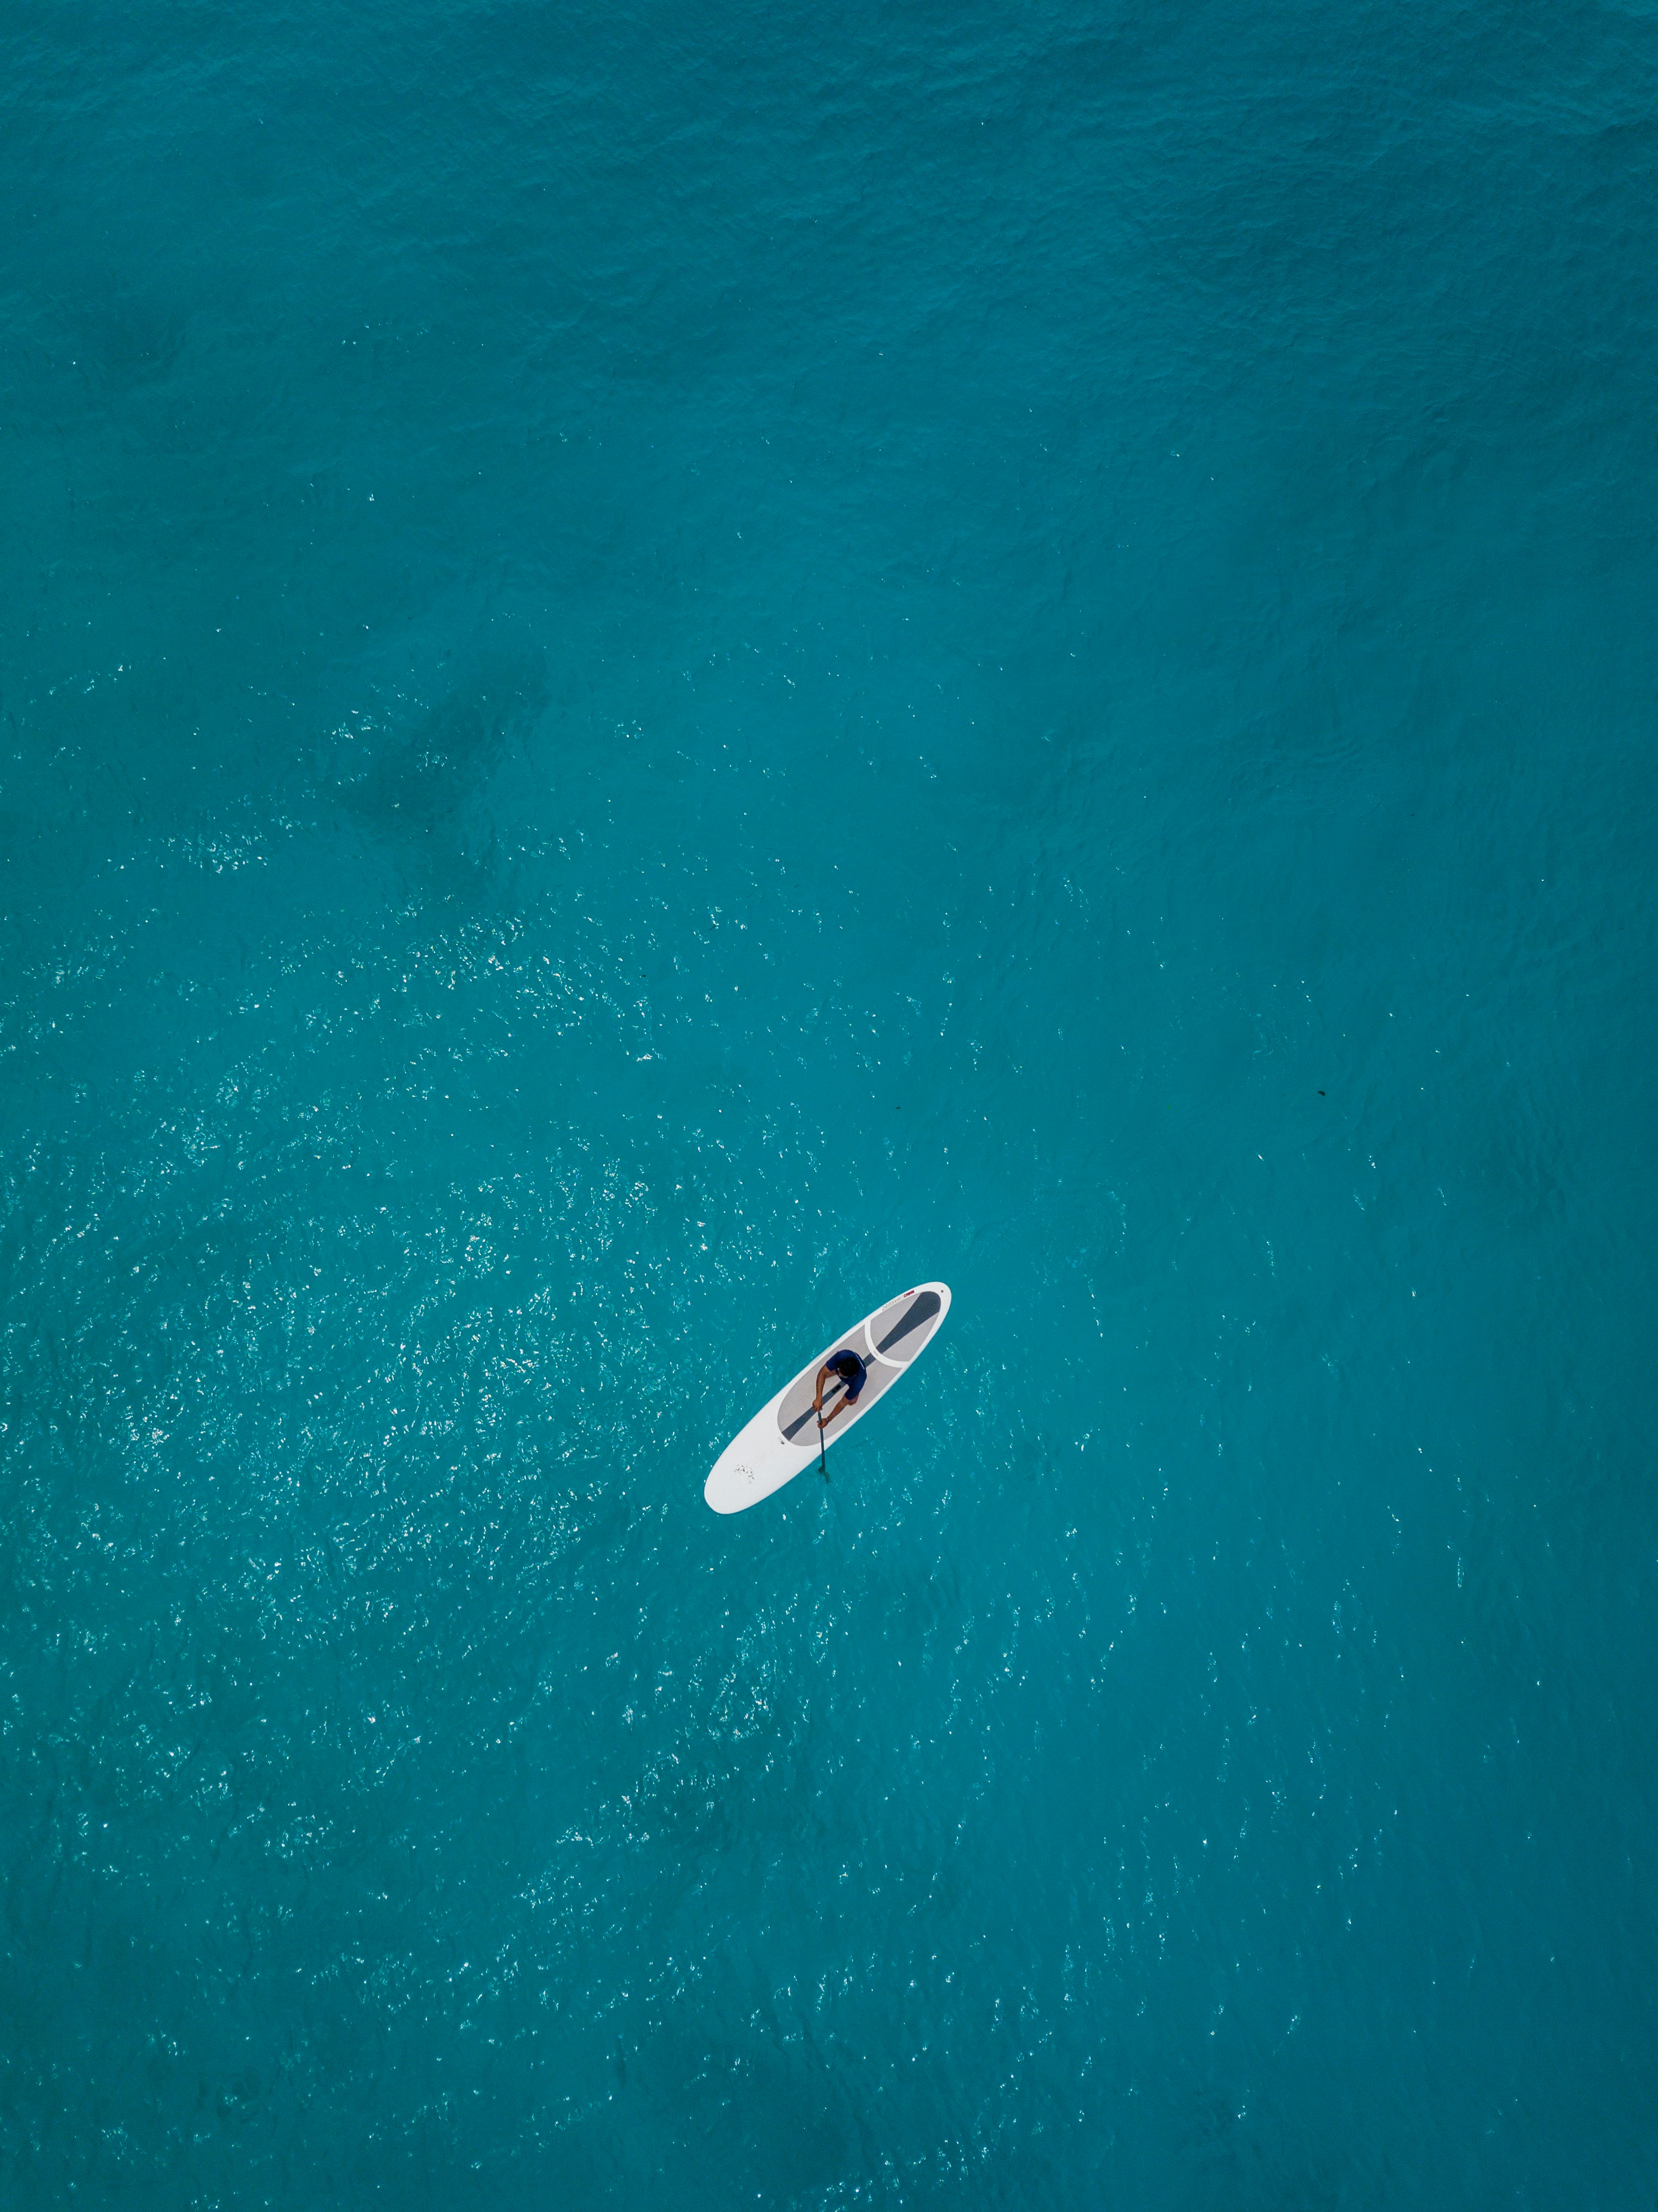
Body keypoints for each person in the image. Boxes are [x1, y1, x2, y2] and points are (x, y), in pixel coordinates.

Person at [814, 1347, 867, 1432]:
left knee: (850, 1401)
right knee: (825, 1375)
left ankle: (856, 1393)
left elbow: (842, 1403)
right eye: (840, 1371)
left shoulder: (858, 1382)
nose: (839, 1374)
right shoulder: (842, 1355)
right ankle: (836, 1371)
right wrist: (819, 1398)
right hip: (849, 1358)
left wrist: (828, 1420)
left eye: (842, 1374)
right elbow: (822, 1372)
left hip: (855, 1380)